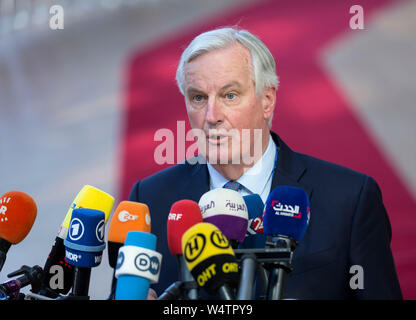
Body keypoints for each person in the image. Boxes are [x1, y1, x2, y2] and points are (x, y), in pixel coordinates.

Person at [127, 27, 402, 299]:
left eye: (229, 95)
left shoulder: (350, 198)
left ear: (267, 101)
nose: (211, 116)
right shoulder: (150, 199)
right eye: (198, 98)